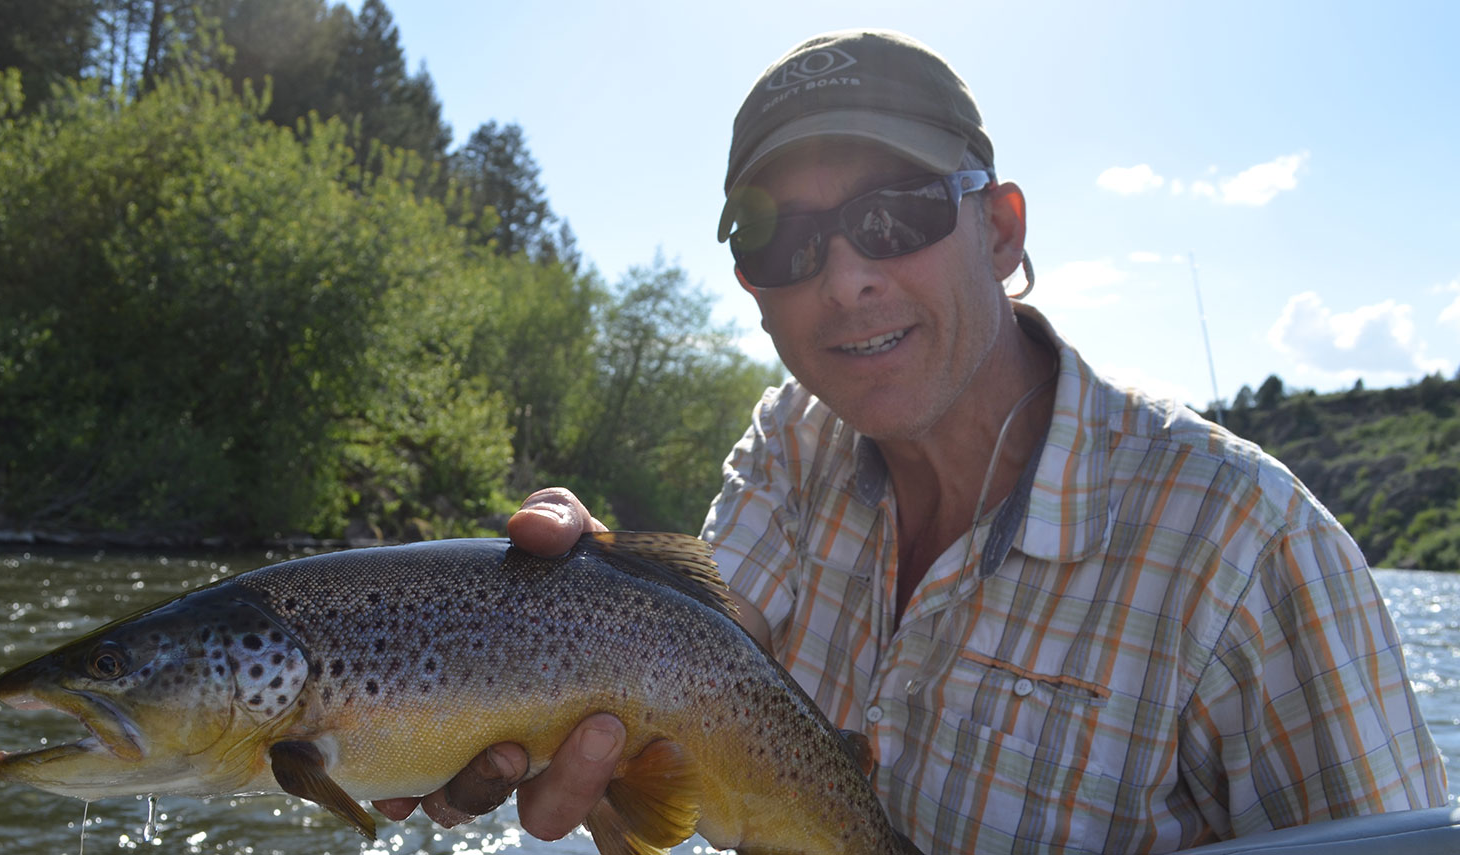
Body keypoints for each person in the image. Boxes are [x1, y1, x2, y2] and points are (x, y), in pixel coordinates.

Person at [374, 29, 1449, 852]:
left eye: (895, 215)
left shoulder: (1248, 543)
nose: (844, 278)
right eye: (781, 241)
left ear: (1002, 229)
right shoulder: (788, 441)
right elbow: (686, 671)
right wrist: (564, 624)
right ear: (750, 286)